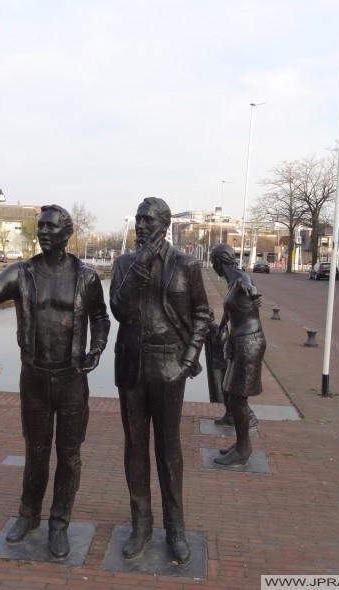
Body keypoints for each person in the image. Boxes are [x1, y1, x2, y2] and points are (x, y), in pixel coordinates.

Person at [0, 204, 110, 560]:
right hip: (35, 377)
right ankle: (29, 515)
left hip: (72, 378)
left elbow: (100, 317)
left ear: (66, 232)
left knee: (69, 454)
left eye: (50, 227)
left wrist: (98, 348)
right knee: (36, 451)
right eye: (40, 227)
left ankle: (59, 523)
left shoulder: (85, 277)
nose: (43, 232)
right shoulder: (21, 273)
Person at [110, 197, 211, 565]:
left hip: (170, 366)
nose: (139, 226)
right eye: (137, 219)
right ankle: (140, 526)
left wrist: (188, 360)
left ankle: (176, 529)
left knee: (169, 449)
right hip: (133, 367)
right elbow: (121, 310)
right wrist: (141, 266)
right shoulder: (123, 264)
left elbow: (202, 313)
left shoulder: (186, 265)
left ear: (164, 224)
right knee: (135, 446)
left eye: (147, 220)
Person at [209, 243, 266, 466]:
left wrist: (253, 293)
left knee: (238, 396)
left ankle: (244, 449)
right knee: (231, 392)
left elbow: (249, 287)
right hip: (238, 342)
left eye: (213, 263)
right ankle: (241, 443)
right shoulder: (231, 282)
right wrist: (222, 327)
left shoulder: (241, 279)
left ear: (217, 262)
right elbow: (229, 309)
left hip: (249, 343)